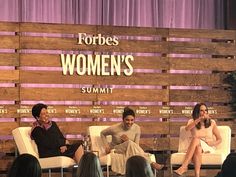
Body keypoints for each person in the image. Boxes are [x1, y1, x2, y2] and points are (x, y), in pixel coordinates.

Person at [100, 107, 163, 175]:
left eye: (132, 120)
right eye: (127, 120)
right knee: (129, 143)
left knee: (130, 143)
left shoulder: (137, 128)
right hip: (116, 149)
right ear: (123, 119)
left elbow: (136, 146)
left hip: (130, 149)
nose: (129, 122)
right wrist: (106, 146)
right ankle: (151, 163)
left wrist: (127, 141)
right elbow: (102, 133)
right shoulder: (115, 128)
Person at [174, 103, 222, 177]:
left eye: (206, 110)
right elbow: (187, 129)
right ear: (197, 112)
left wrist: (212, 143)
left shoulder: (212, 123)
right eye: (201, 111)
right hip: (196, 146)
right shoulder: (192, 121)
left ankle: (184, 167)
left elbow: (220, 139)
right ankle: (197, 175)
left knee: (196, 139)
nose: (204, 112)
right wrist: (198, 120)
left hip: (208, 146)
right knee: (198, 147)